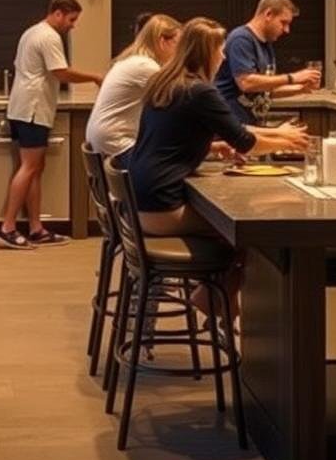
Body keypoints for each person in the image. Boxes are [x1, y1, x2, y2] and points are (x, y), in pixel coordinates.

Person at [127, 16, 309, 316]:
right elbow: (244, 141)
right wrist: (286, 141)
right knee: (251, 232)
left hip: (141, 202)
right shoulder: (199, 91)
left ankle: (218, 298)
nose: (223, 56)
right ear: (205, 52)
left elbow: (178, 138)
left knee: (243, 228)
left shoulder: (166, 82)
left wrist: (214, 146)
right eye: (219, 50)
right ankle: (220, 302)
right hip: (162, 210)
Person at [0, 0, 103, 250]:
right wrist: (96, 77)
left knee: (34, 168)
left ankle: (36, 228)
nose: (72, 25)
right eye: (71, 19)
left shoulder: (31, 32)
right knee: (30, 167)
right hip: (33, 109)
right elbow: (61, 72)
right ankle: (7, 229)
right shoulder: (49, 36)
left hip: (24, 107)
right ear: (58, 13)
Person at [214, 0, 321, 124]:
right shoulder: (241, 39)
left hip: (249, 120)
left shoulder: (266, 43)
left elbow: (265, 90)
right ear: (268, 14)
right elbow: (246, 83)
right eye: (283, 22)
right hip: (230, 121)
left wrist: (301, 89)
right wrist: (293, 78)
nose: (287, 30)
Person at [86, 14, 181, 160]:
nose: (179, 52)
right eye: (177, 44)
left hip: (105, 140)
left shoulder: (131, 60)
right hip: (117, 144)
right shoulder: (146, 66)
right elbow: (176, 103)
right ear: (163, 41)